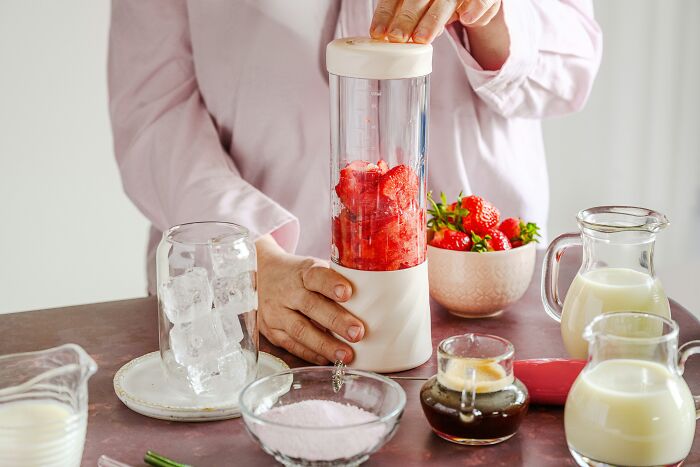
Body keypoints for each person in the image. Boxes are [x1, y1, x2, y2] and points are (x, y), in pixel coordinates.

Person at [108, 0, 602, 366]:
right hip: (262, 310)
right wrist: (243, 253)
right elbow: (154, 110)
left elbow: (575, 62)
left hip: (480, 302)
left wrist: (490, 12)